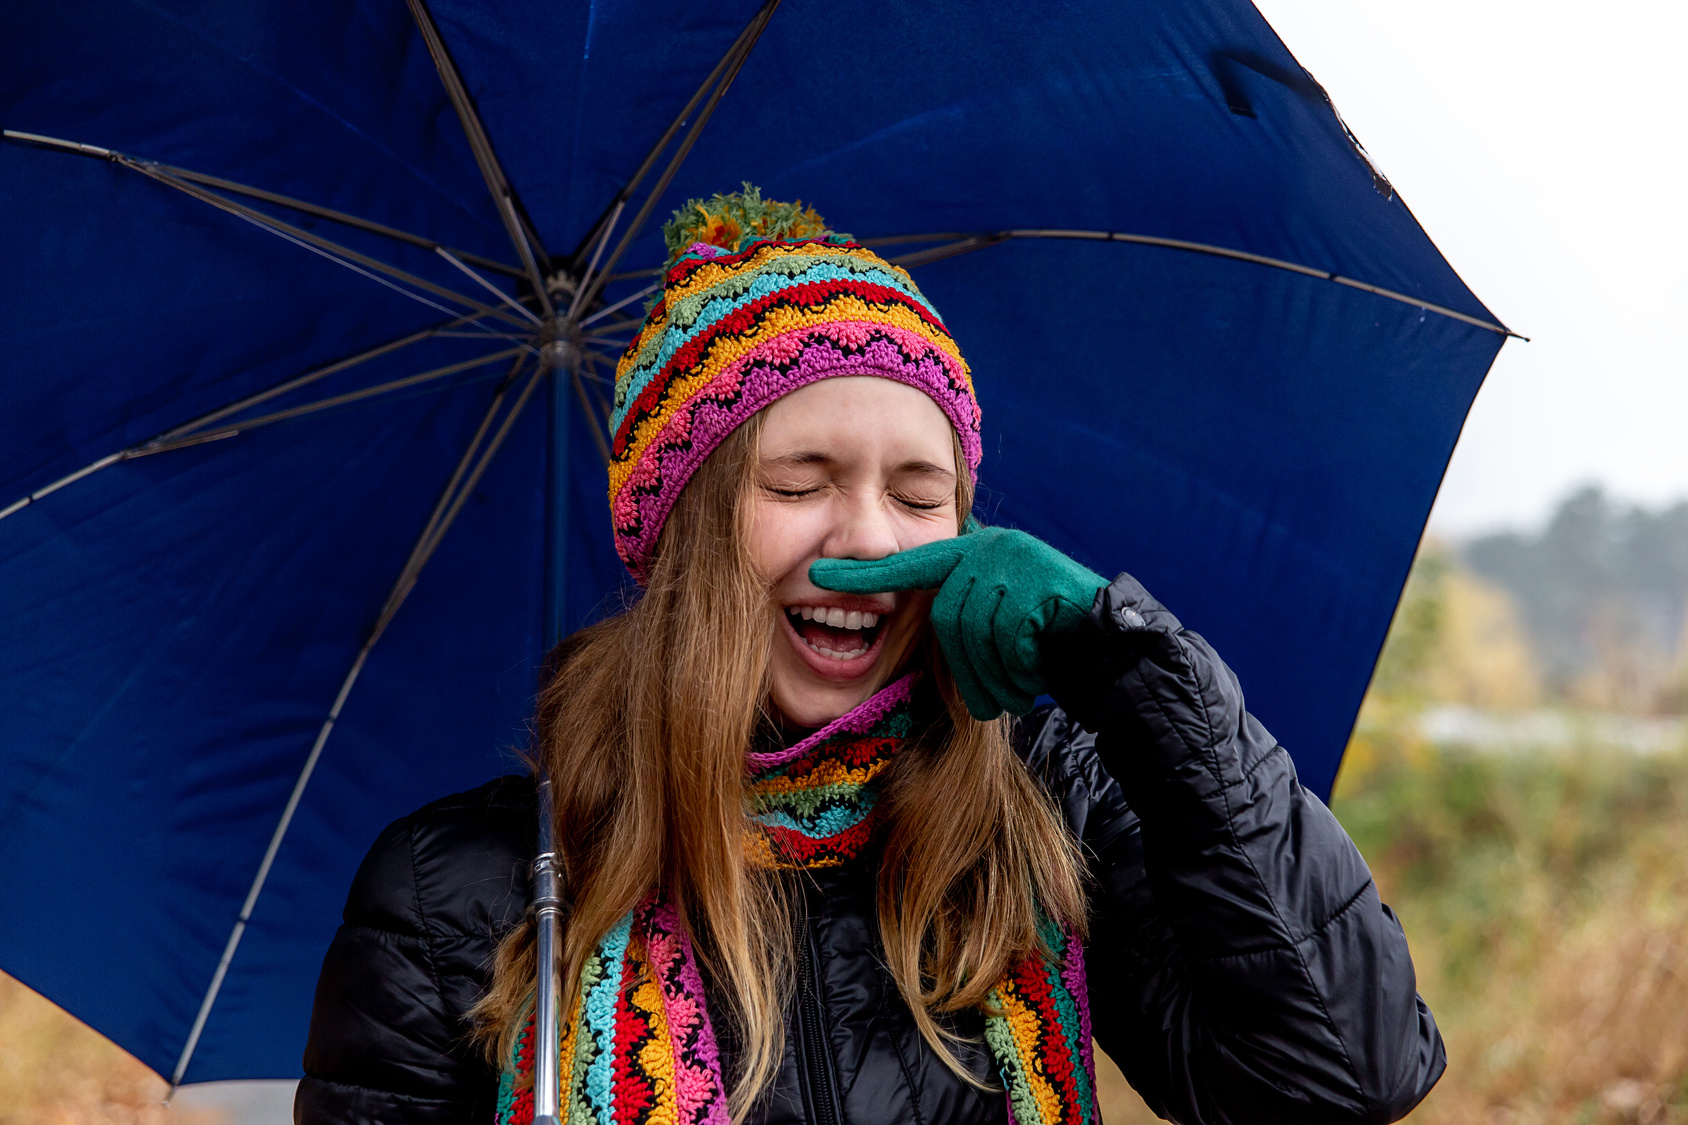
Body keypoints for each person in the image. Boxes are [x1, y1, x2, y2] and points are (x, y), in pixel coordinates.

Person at [296, 188, 1444, 1125]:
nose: (868, 542)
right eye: (797, 484)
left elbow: (1345, 1079)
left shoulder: (1047, 810)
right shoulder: (461, 891)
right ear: (685, 534)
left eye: (918, 494)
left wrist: (1126, 670)